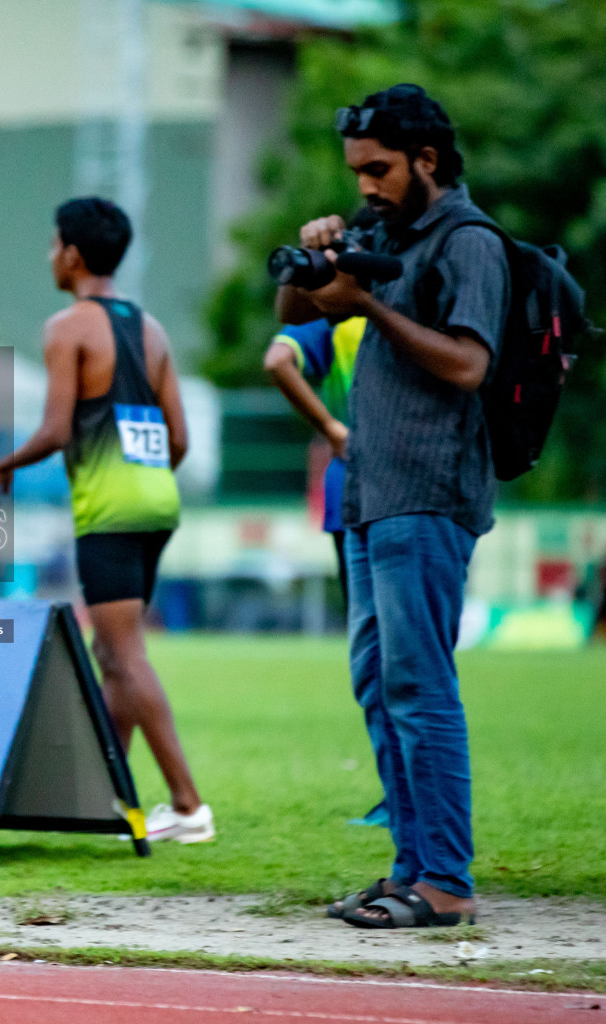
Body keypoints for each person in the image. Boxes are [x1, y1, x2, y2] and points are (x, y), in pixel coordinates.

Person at [279, 84, 507, 929]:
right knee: (379, 682)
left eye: (378, 170)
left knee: (420, 683)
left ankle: (445, 881)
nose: (365, 185)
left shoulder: (469, 242)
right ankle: (411, 866)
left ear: (428, 161)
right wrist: (318, 261)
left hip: (429, 493)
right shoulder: (383, 232)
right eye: (356, 171)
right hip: (374, 496)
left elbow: (466, 366)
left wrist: (368, 303)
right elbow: (288, 312)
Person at [0, 197, 212, 844]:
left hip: (109, 508)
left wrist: (6, 464)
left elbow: (55, 430)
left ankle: (189, 806)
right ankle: (112, 802)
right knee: (112, 653)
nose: (50, 255)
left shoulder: (68, 327)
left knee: (125, 653)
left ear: (73, 254)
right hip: (157, 503)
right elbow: (181, 439)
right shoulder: (153, 330)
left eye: (54, 244)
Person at [263, 310, 389, 829]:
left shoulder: (340, 318)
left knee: (375, 657)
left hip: (356, 491)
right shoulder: (408, 305)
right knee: (405, 658)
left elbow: (277, 358)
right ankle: (406, 799)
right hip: (414, 490)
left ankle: (401, 799)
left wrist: (333, 429)